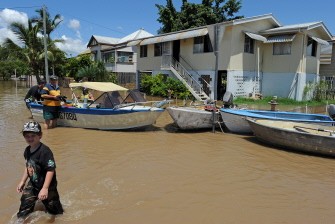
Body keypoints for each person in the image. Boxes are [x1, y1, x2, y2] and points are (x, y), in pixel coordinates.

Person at [16, 121, 63, 219]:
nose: (30, 138)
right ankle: (21, 220)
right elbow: (28, 166)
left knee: (55, 211)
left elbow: (51, 170)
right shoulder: (27, 150)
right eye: (27, 136)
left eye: (33, 135)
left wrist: (45, 188)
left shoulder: (45, 151)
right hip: (33, 184)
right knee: (24, 203)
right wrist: (22, 181)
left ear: (40, 135)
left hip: (48, 186)